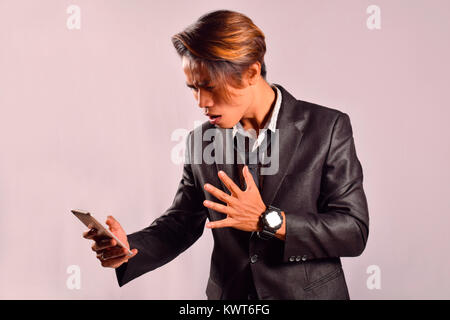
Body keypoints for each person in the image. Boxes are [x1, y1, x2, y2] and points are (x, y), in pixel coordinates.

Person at [83, 9, 369, 300]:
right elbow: (180, 223)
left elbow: (354, 230)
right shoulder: (199, 140)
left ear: (251, 73)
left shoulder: (327, 128)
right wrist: (128, 248)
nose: (201, 102)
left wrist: (268, 220)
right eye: (193, 88)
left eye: (208, 86)